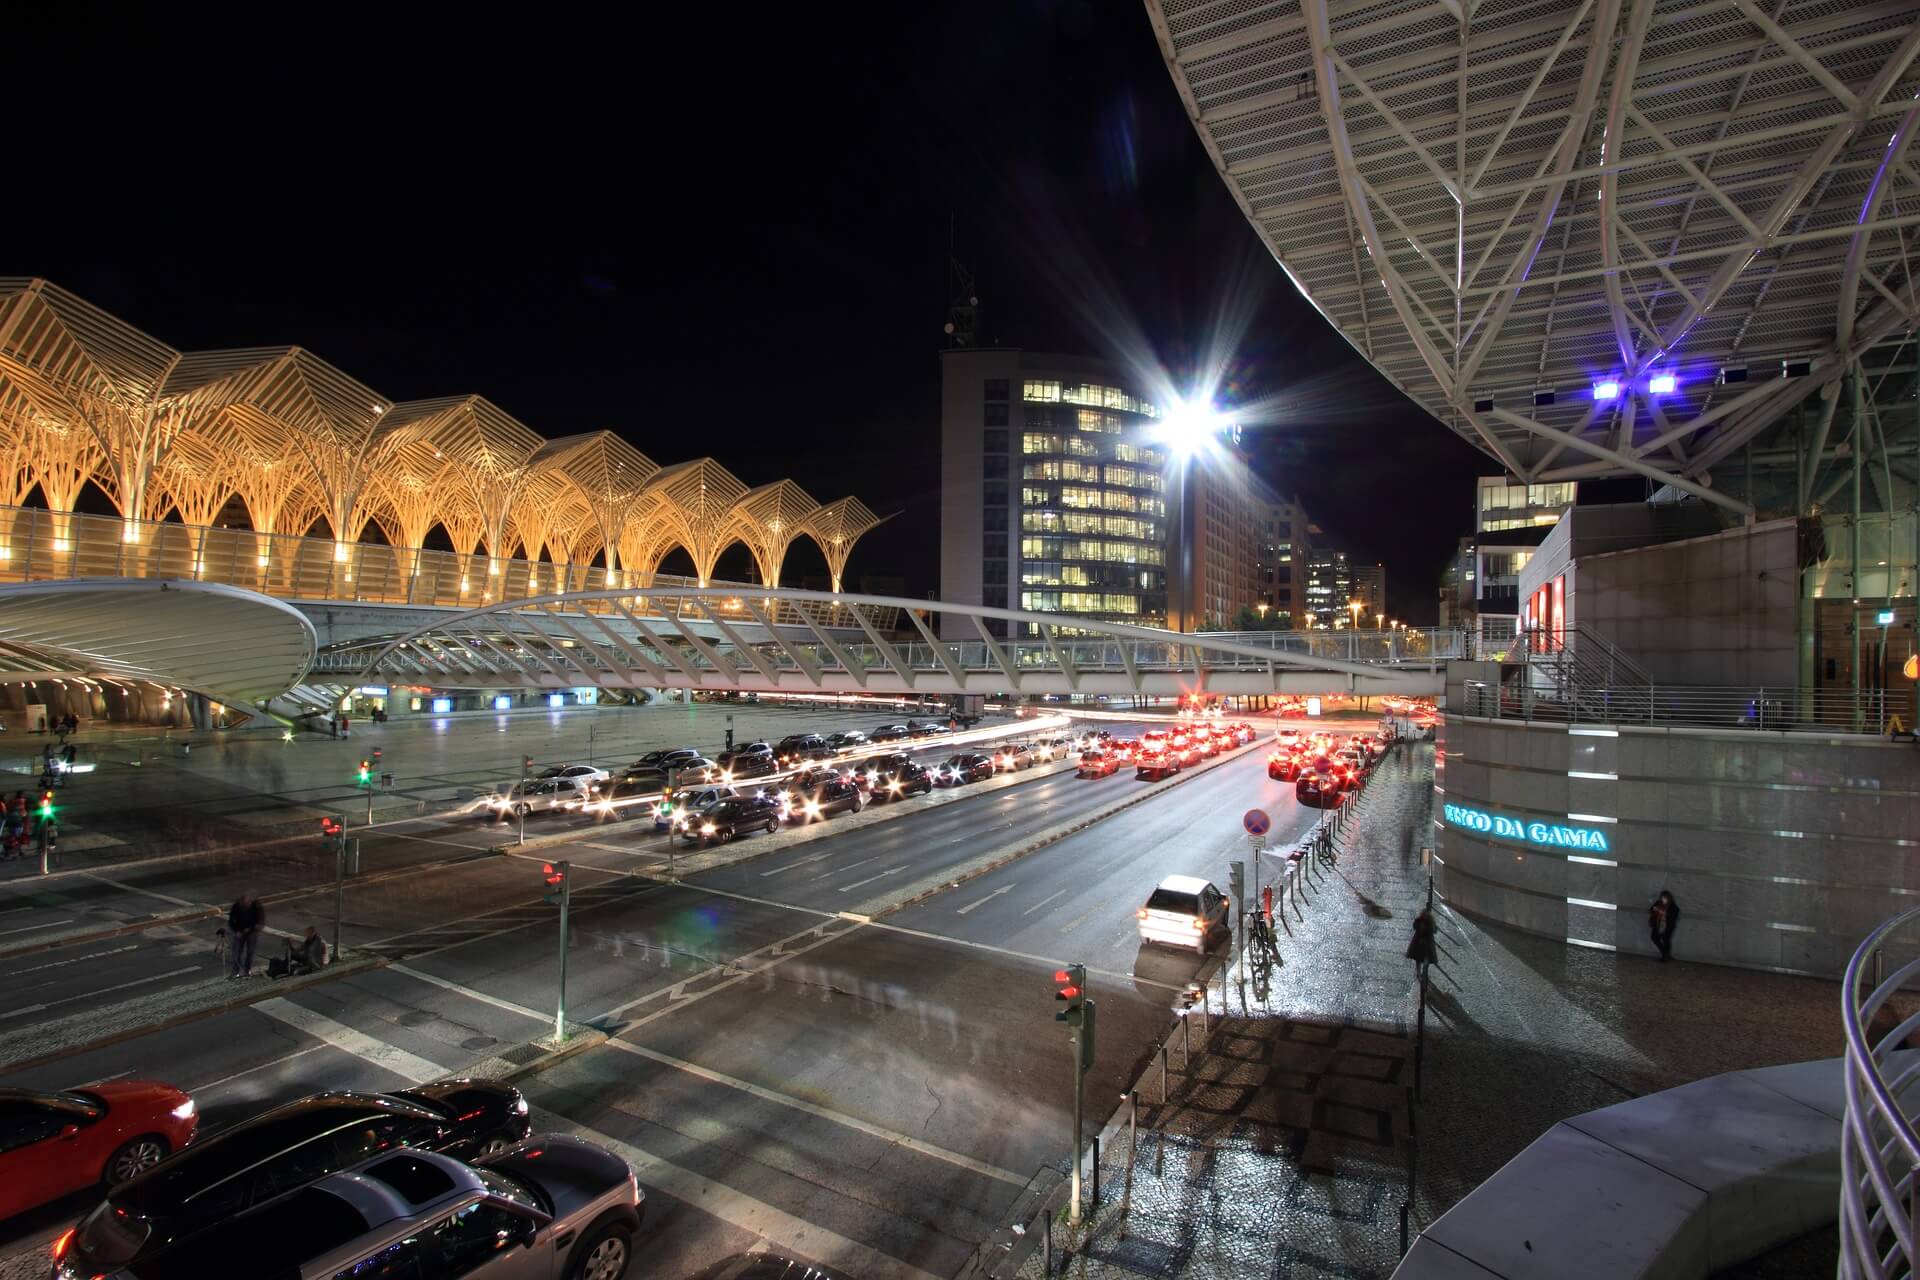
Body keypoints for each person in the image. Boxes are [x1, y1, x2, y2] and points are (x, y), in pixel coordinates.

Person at [227, 892, 266, 979]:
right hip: (239, 932)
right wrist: (237, 931)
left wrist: (253, 928)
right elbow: (231, 920)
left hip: (251, 932)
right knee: (236, 953)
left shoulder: (255, 906)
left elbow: (259, 919)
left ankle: (246, 970)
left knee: (250, 952)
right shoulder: (236, 906)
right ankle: (236, 971)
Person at [1406, 908, 1438, 982]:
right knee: (1419, 959)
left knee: (1426, 960)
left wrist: (1431, 927)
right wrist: (1419, 926)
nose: (1424, 915)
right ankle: (1419, 973)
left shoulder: (1431, 921)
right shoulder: (1418, 920)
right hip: (1419, 943)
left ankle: (1424, 973)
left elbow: (1435, 930)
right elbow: (1414, 927)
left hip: (1427, 944)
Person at [1649, 889, 1680, 962]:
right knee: (1654, 937)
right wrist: (1655, 910)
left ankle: (1665, 957)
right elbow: (1651, 909)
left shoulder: (1673, 906)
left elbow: (1674, 916)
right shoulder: (1658, 903)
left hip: (1667, 926)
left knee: (1666, 940)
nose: (1663, 899)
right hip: (1658, 924)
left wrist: (1662, 912)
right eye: (1662, 897)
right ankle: (1665, 954)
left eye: (1664, 897)